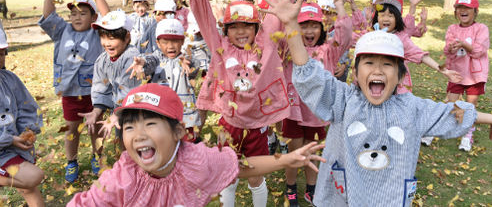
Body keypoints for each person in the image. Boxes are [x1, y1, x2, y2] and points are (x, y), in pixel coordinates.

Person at [264, 0, 492, 206]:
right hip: (344, 195)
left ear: (401, 74)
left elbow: (453, 113)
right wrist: (291, 28)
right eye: (369, 62)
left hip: (389, 198)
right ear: (356, 71)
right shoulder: (343, 100)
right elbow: (309, 75)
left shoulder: (412, 108)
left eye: (388, 64)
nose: (378, 70)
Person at [67, 83, 325, 207]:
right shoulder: (123, 177)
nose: (138, 134)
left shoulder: (196, 159)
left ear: (178, 131)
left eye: (150, 123)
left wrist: (288, 159)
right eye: (130, 126)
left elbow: (240, 167)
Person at [183, 0, 295, 207]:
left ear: (257, 29)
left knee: (256, 175)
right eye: (234, 26)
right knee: (228, 175)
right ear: (226, 30)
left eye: (247, 26)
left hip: (257, 126)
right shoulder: (219, 46)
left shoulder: (265, 46)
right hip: (229, 124)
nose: (241, 31)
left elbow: (274, 19)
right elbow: (205, 20)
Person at [280, 0, 351, 205]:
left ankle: (312, 188)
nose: (309, 31)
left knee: (312, 149)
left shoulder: (328, 50)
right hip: (294, 111)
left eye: (314, 26)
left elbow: (345, 35)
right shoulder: (288, 48)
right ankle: (290, 187)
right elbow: (276, 34)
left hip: (317, 113)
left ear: (322, 28)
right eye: (304, 26)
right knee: (295, 150)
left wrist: (339, 7)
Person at [38, 0, 109, 183]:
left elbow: (108, 15)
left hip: (94, 92)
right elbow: (48, 14)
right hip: (70, 92)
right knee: (72, 129)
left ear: (93, 17)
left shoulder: (98, 33)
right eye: (73, 14)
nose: (77, 18)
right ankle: (72, 161)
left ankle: (98, 156)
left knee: (96, 128)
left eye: (83, 13)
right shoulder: (62, 31)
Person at [79, 10, 158, 138]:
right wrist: (96, 111)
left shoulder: (131, 59)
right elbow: (101, 88)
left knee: (137, 141)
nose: (106, 43)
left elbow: (129, 93)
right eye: (103, 37)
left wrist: (115, 115)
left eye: (112, 38)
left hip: (138, 111)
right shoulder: (102, 60)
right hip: (119, 112)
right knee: (122, 140)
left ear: (127, 37)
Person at [0, 24, 44, 207]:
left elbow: (27, 108)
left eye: (2, 52)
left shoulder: (9, 79)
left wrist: (28, 131)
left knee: (28, 188)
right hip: (4, 148)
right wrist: (9, 139)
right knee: (35, 176)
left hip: (12, 147)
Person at [139, 18, 201, 141]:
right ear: (158, 43)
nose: (170, 46)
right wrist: (142, 63)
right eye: (165, 42)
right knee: (163, 145)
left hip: (185, 116)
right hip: (160, 113)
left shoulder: (185, 58)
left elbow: (195, 65)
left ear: (182, 41)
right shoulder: (156, 58)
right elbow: (149, 62)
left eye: (175, 41)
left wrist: (187, 61)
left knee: (187, 146)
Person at [444, 0, 489, 151]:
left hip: (475, 75)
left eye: (467, 8)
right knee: (450, 103)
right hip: (457, 73)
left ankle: (467, 134)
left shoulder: (481, 28)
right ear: (455, 11)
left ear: (475, 11)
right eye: (459, 8)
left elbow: (479, 51)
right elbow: (447, 51)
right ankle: (439, 127)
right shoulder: (452, 28)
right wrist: (450, 48)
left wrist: (464, 44)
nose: (462, 11)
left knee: (470, 106)